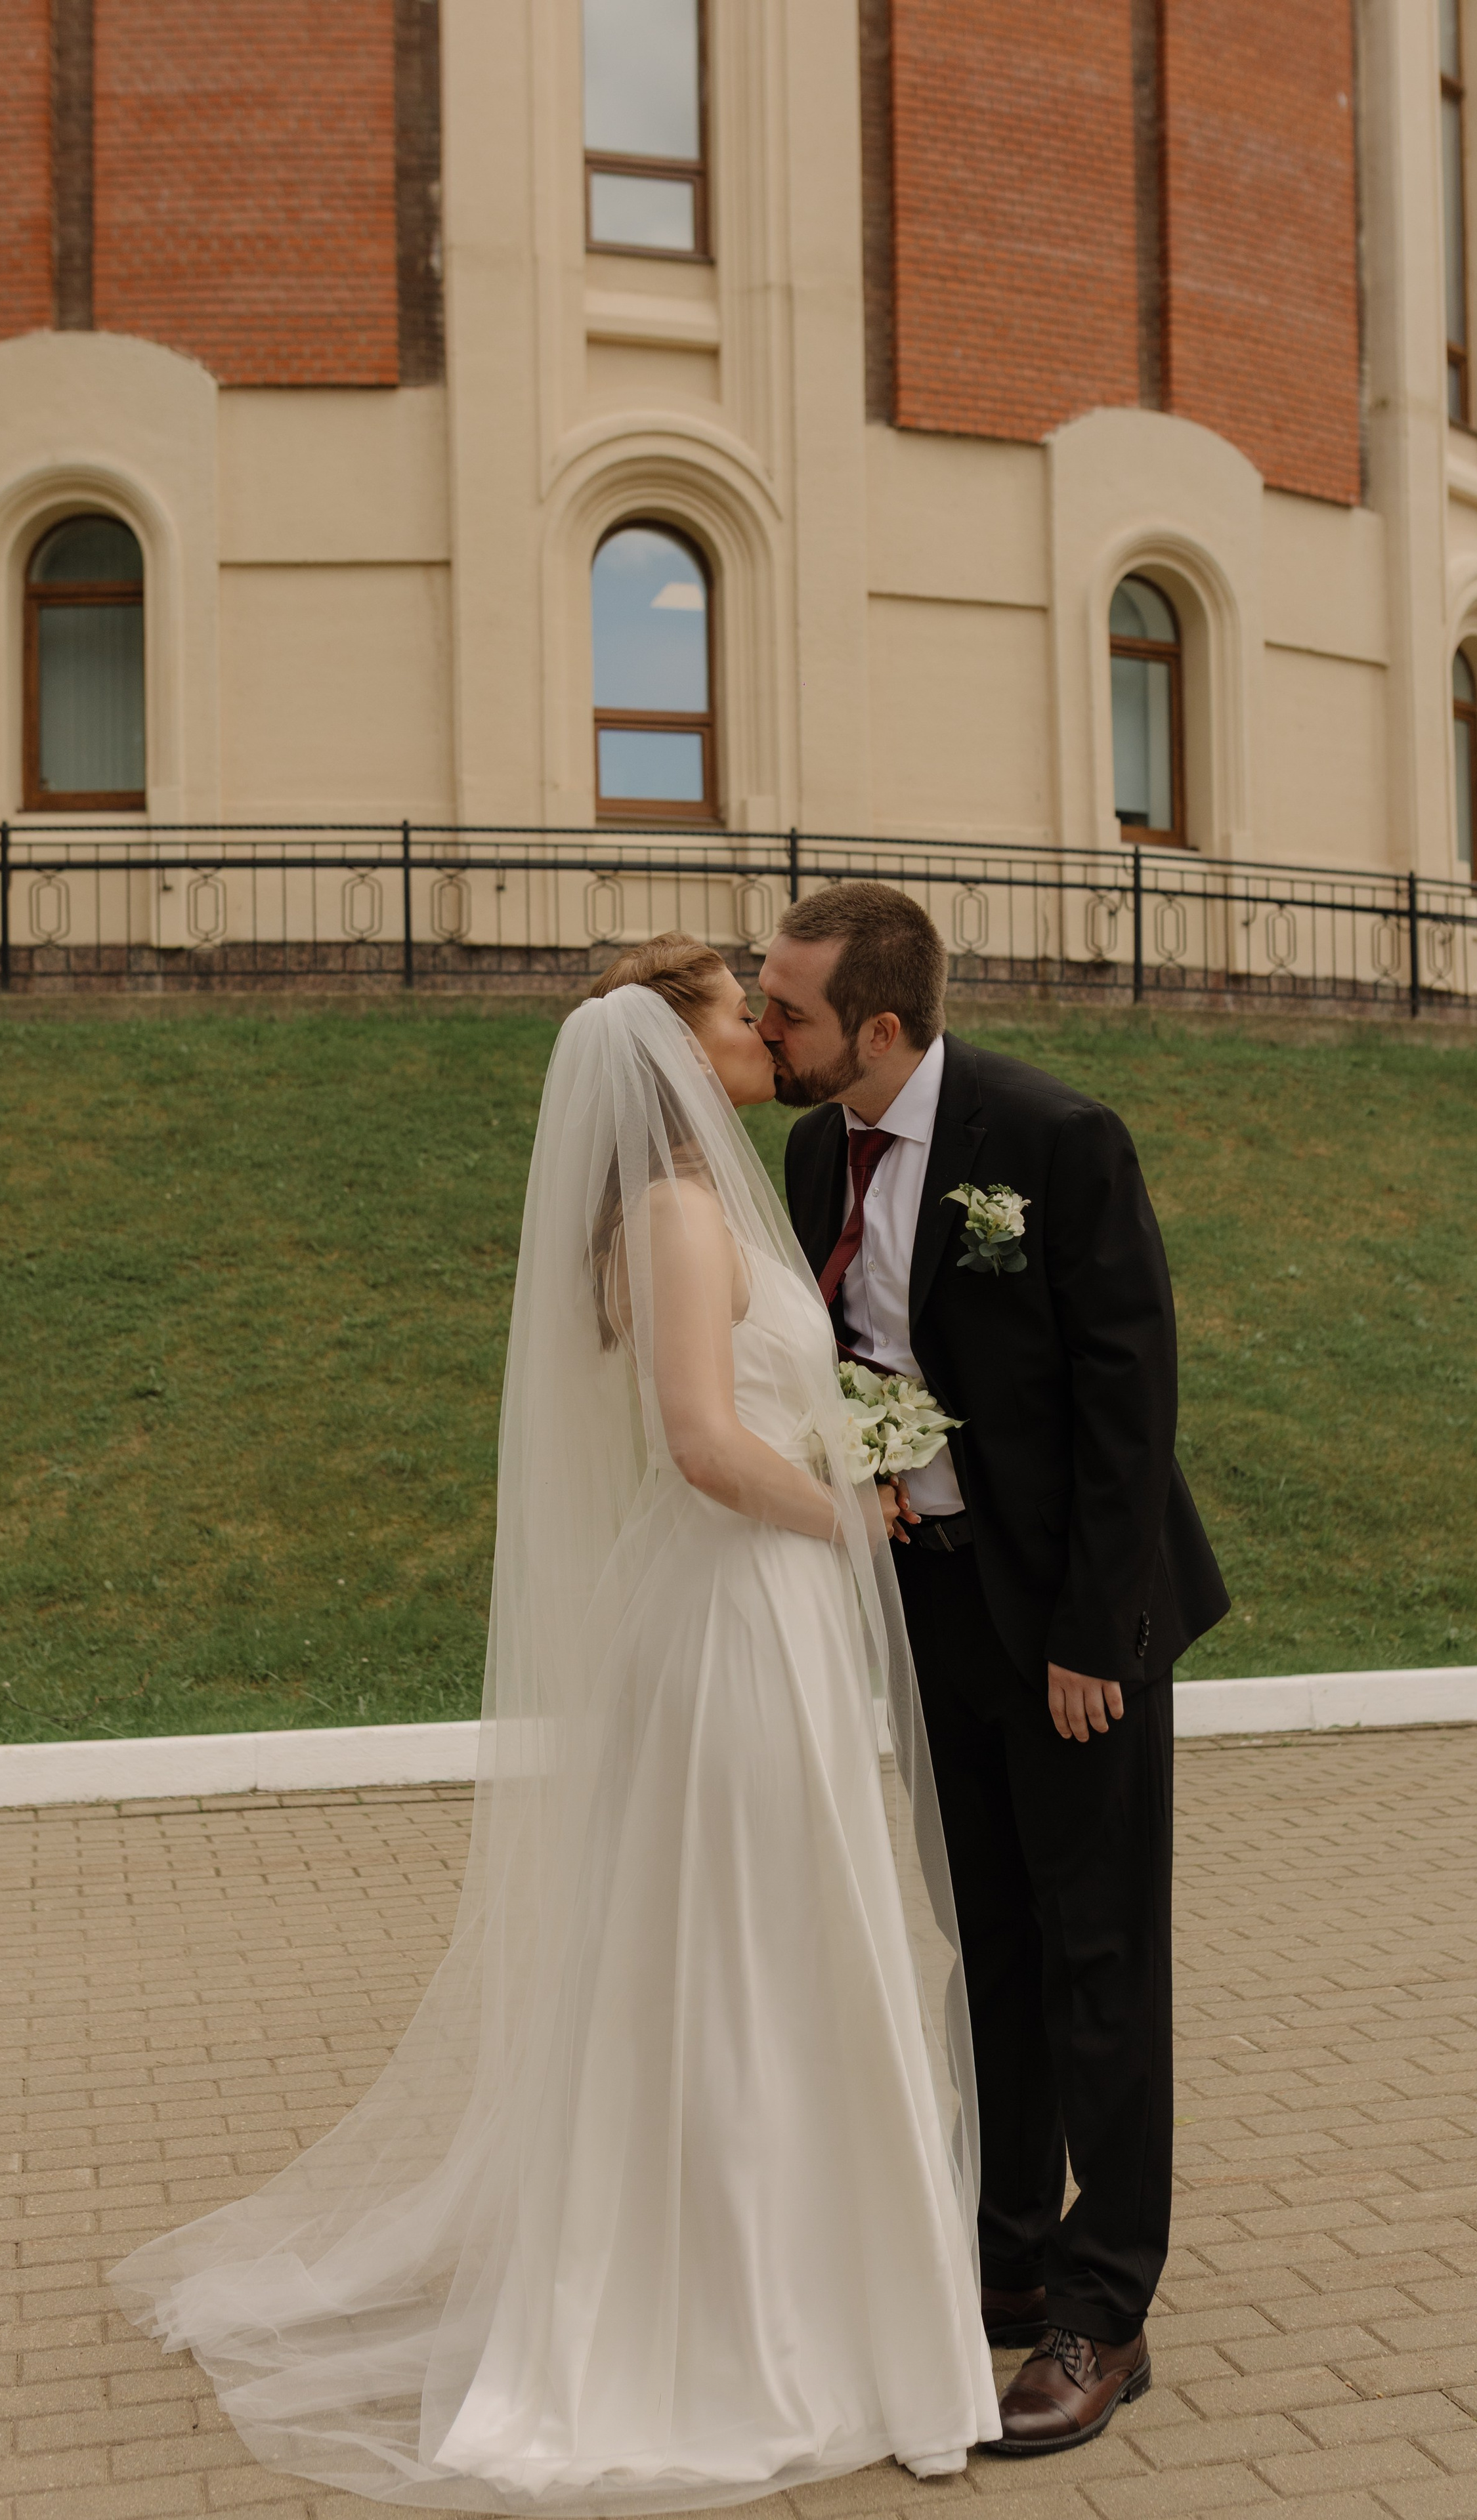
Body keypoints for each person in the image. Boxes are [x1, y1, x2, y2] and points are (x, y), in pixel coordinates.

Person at [110, 933, 997, 2511]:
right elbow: (701, 1445)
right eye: (740, 1015)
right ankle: (732, 2325)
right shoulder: (669, 1211)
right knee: (734, 1957)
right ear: (672, 1049)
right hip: (735, 1613)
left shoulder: (706, 1198)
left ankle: (817, 2296)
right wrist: (846, 1515)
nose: (760, 1033)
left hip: (753, 1611)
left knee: (771, 1945)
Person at [761, 885, 1229, 2459]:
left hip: (1071, 1624)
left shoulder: (1054, 1139)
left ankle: (1106, 2305)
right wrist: (875, 1468)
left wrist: (1094, 1638)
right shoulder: (814, 1151)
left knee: (1098, 1957)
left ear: (877, 1029)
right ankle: (1009, 2256)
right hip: (932, 1607)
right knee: (992, 1947)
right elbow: (859, 1351)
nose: (766, 1033)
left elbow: (1126, 1397)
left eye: (789, 1013)